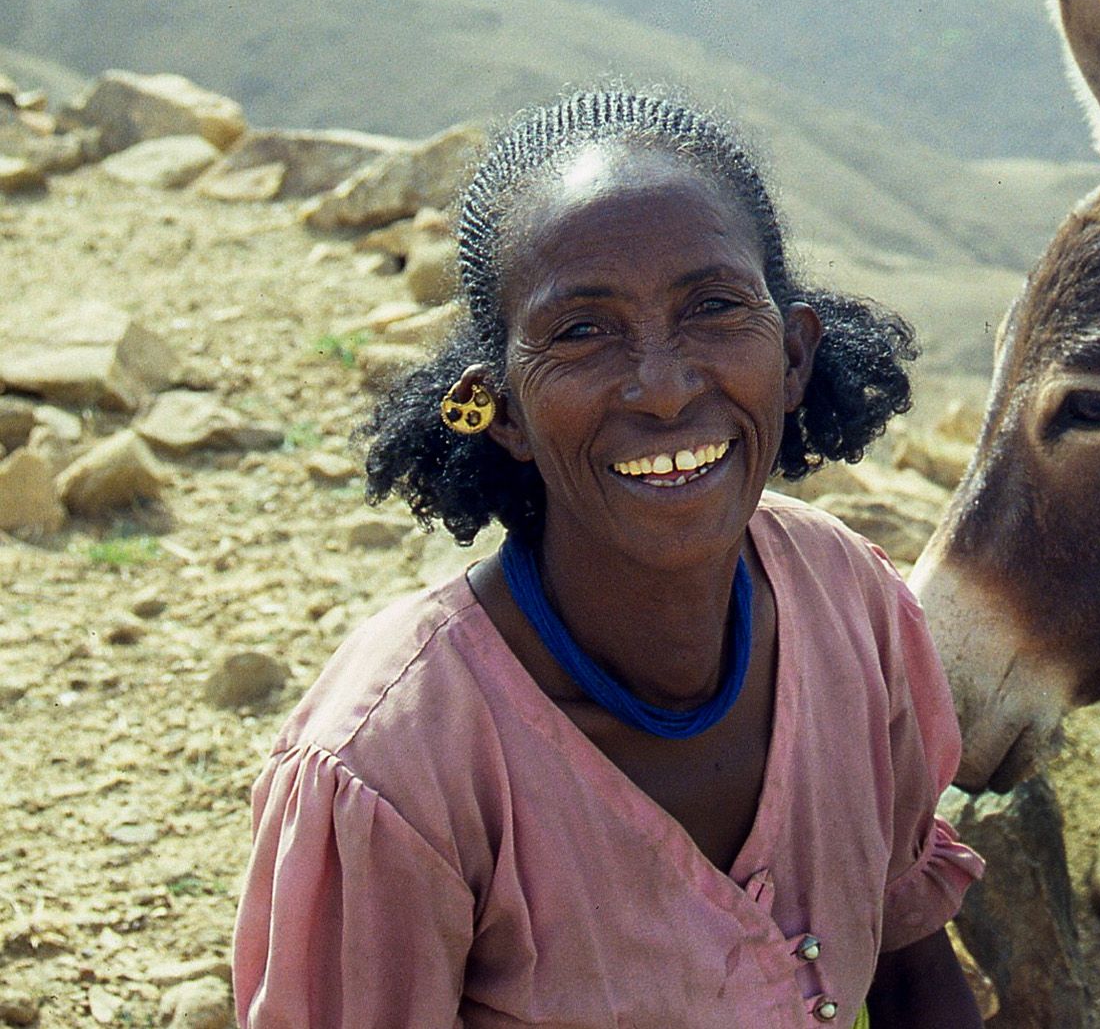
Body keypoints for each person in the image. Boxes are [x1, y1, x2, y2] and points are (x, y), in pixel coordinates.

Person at [231, 89, 986, 1028]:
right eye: (582, 331)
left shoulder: (850, 607)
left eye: (713, 308)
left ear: (792, 358)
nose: (664, 389)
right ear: (499, 407)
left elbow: (913, 960)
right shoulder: (396, 766)